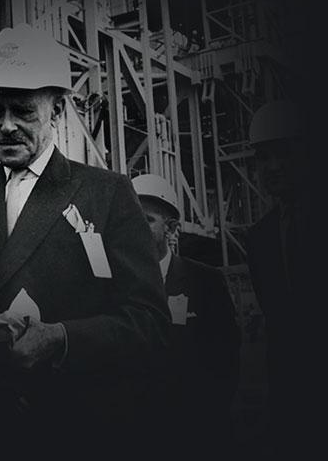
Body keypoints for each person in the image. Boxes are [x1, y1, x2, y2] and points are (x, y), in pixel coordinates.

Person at [0, 24, 170, 447]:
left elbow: (150, 323)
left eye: (23, 111)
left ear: (57, 110)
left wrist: (61, 338)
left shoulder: (106, 192)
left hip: (69, 427)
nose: (5, 126)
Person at [132, 173, 241, 456]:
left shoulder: (204, 281)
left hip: (196, 434)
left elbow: (225, 358)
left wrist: (204, 420)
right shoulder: (115, 285)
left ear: (171, 228)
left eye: (146, 220)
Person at [246, 99, 307, 454]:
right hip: (293, 391)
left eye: (282, 155)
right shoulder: (260, 238)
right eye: (263, 158)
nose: (272, 167)